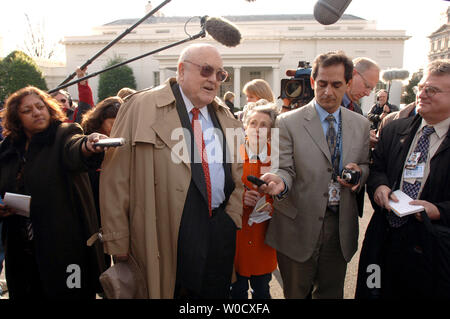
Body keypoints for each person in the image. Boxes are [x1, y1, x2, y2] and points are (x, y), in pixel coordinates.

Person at [99, 43, 245, 299]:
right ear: (181, 70)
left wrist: (230, 219)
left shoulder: (225, 115)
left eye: (220, 74)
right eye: (206, 70)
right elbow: (115, 179)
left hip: (219, 232)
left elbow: (237, 175)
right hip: (164, 237)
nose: (213, 79)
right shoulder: (139, 107)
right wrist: (117, 239)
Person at [259, 51, 370, 299]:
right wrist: (280, 183)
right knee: (297, 293)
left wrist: (359, 172)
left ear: (348, 84)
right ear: (312, 82)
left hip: (340, 227)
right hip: (298, 223)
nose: (328, 91)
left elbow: (364, 164)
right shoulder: (286, 122)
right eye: (322, 84)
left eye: (336, 84)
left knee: (331, 293)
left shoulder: (361, 124)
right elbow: (283, 168)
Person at [0, 86, 108, 299]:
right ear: (16, 118)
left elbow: (75, 148)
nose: (37, 113)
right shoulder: (9, 148)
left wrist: (88, 144)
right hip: (20, 249)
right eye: (28, 110)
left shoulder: (64, 134)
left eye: (40, 107)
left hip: (65, 248)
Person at [355, 59, 450, 299]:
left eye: (432, 90)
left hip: (432, 248)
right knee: (373, 291)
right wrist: (379, 187)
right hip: (383, 241)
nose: (423, 95)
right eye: (421, 88)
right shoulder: (395, 130)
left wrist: (438, 210)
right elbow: (377, 169)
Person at [231, 102, 278, 299]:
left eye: (263, 124)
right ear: (245, 126)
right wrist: (240, 198)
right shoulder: (232, 154)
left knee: (262, 290)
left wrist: (272, 205)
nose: (257, 128)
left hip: (264, 237)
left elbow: (288, 193)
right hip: (237, 237)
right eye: (253, 123)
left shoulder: (277, 158)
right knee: (237, 290)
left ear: (270, 131)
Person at [81, 96, 123, 273]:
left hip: (118, 220)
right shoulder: (87, 146)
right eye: (113, 124)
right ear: (99, 122)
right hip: (93, 219)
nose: (117, 129)